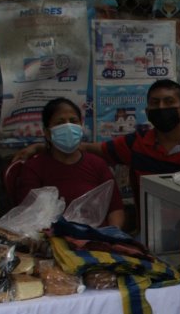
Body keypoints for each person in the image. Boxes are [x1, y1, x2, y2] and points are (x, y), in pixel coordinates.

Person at [14, 80, 180, 201]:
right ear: (147, 111)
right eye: (155, 103)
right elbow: (88, 148)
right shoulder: (135, 144)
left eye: (169, 102)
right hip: (149, 233)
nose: (161, 108)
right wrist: (40, 147)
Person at [11, 98, 125, 229]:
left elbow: (115, 209)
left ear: (81, 127)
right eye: (60, 122)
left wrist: (112, 234)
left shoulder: (98, 164)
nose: (68, 127)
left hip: (96, 237)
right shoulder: (34, 168)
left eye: (73, 121)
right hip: (53, 238)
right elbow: (29, 215)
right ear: (47, 133)